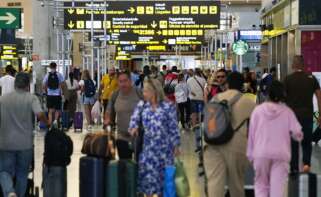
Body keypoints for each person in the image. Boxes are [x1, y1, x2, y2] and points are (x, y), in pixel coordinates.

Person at [203, 72, 256, 197]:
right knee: (236, 183)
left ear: (227, 84)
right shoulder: (248, 102)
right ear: (242, 85)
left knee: (214, 182)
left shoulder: (216, 98)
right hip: (236, 146)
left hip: (212, 144)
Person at [247, 81, 303, 197]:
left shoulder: (258, 111)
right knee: (277, 189)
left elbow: (251, 135)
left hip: (261, 153)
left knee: (261, 186)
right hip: (280, 155)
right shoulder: (287, 112)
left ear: (268, 93)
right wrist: (296, 136)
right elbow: (298, 134)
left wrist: (250, 155)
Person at [129, 78, 180, 197]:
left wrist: (176, 145)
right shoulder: (142, 106)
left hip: (165, 152)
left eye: (146, 91)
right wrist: (133, 128)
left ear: (154, 91)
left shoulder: (168, 107)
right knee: (148, 185)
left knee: (164, 184)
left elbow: (173, 128)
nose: (143, 93)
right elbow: (134, 119)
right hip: (148, 152)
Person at [0, 72, 48, 197]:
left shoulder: (3, 99)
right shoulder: (31, 98)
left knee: (4, 171)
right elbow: (39, 114)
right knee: (22, 173)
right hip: (25, 143)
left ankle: (10, 192)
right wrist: (47, 122)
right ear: (27, 85)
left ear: (15, 84)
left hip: (5, 143)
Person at [284, 55, 321, 173]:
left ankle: (294, 167)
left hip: (292, 117)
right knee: (307, 142)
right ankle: (306, 164)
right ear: (303, 65)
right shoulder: (311, 78)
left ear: (293, 65)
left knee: (293, 143)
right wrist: (320, 114)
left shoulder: (288, 79)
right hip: (307, 116)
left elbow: (282, 98)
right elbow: (319, 96)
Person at [104, 70, 142, 159]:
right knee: (125, 166)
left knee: (139, 166)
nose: (123, 84)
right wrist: (108, 119)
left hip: (139, 137)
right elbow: (109, 111)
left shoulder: (139, 93)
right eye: (120, 81)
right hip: (122, 137)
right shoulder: (115, 95)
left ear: (130, 81)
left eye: (125, 81)